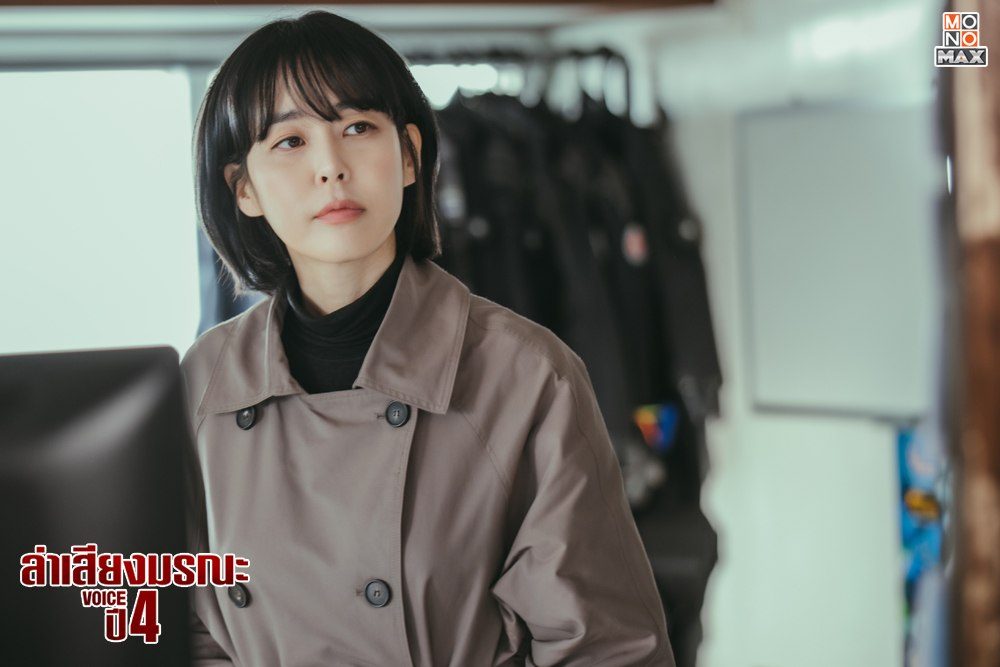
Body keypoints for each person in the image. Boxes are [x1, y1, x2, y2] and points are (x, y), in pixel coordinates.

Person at [181, 9, 673, 666]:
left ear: (409, 156)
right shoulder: (205, 382)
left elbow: (607, 649)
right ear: (244, 189)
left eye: (357, 128)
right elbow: (189, 632)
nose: (330, 166)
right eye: (290, 141)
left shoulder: (525, 377)